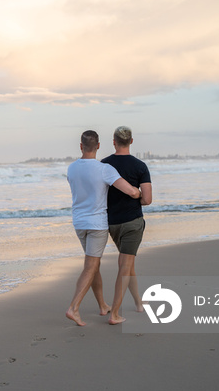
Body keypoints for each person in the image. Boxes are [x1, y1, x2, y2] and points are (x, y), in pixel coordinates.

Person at [65, 130, 141, 326]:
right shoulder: (103, 169)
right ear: (98, 146)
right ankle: (73, 308)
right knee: (90, 267)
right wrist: (139, 194)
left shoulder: (72, 169)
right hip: (97, 225)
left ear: (81, 146)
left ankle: (102, 305)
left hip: (79, 223)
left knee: (93, 265)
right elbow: (130, 190)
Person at [102, 126, 152, 325]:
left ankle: (139, 303)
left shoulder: (103, 164)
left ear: (113, 141)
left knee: (127, 263)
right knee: (125, 264)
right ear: (131, 141)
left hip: (112, 223)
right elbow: (147, 199)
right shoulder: (140, 166)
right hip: (132, 222)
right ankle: (115, 313)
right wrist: (134, 199)